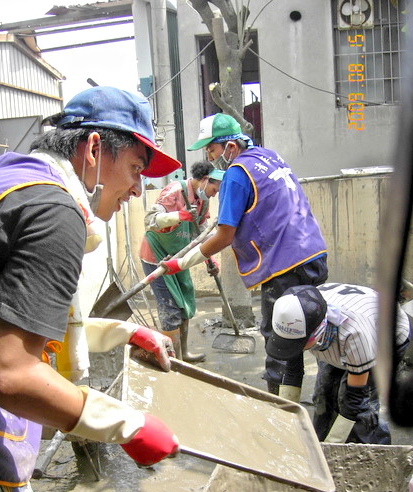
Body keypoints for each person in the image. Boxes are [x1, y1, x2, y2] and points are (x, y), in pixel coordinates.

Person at [0, 85, 183, 492]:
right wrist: (127, 425)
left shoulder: (3, 180)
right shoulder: (56, 211)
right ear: (92, 151)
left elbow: (12, 316)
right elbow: (11, 374)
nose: (137, 190)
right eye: (136, 167)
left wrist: (127, 332)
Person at [161, 113, 328, 401]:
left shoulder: (237, 174)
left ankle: (280, 409)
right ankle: (319, 400)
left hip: (284, 265)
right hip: (313, 253)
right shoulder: (270, 157)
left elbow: (224, 236)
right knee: (310, 332)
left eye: (211, 149)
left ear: (229, 146)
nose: (211, 158)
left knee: (280, 338)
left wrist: (180, 263)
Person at [265, 283, 411, 443]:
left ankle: (374, 449)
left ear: (315, 335)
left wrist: (333, 444)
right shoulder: (297, 313)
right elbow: (293, 371)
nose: (289, 347)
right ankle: (318, 442)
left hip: (382, 341)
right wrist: (285, 421)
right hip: (334, 336)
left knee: (362, 411)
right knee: (324, 394)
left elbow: (355, 397)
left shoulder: (355, 334)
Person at [139, 161, 224, 362]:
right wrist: (179, 215)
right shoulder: (174, 191)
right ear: (204, 180)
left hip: (180, 256)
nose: (214, 194)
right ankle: (173, 358)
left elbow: (200, 231)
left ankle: (183, 354)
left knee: (185, 305)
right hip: (157, 256)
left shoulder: (203, 200)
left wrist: (209, 258)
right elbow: (151, 220)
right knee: (170, 309)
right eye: (214, 189)